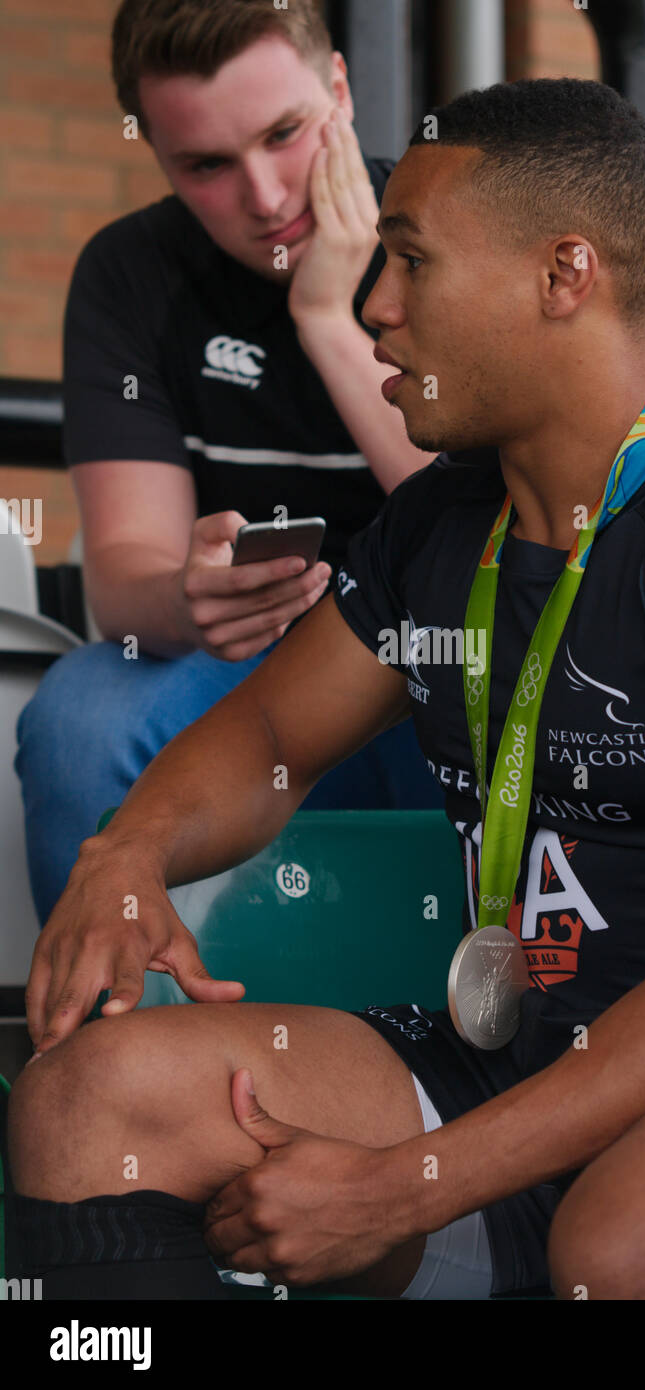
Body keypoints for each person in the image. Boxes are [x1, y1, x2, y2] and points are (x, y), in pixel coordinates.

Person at [8, 75, 645, 1303]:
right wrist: (124, 851)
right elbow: (267, 731)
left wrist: (404, 1187)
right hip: (506, 1068)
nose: (374, 305)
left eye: (409, 259)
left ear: (562, 274)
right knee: (89, 1100)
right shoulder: (440, 521)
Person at [14, 0, 443, 930]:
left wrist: (326, 319)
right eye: (206, 164)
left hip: (442, 667)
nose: (266, 196)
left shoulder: (449, 233)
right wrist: (188, 600)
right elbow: (126, 573)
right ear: (157, 154)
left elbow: (486, 511)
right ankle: (113, 1019)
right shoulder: (131, 273)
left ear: (338, 89)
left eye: (285, 134)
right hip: (248, 686)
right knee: (81, 718)